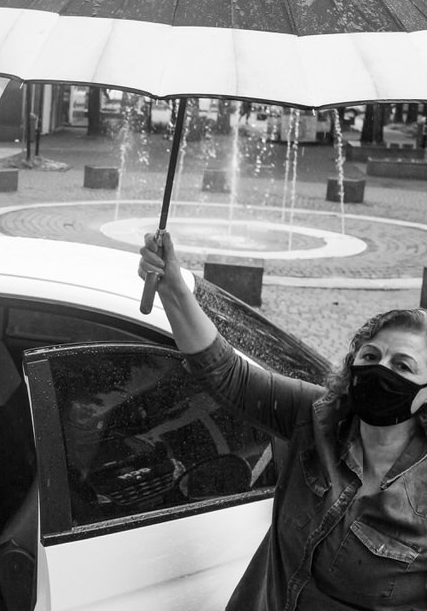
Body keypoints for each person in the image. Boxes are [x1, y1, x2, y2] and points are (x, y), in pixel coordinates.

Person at [138, 230, 427, 610]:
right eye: (370, 357)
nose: (380, 371)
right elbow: (227, 374)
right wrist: (173, 288)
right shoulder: (317, 417)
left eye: (402, 365)